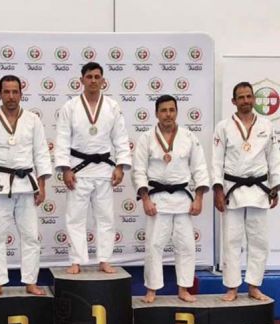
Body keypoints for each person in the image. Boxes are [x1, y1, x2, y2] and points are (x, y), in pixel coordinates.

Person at [0, 75, 52, 297]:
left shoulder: (32, 120)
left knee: (31, 237)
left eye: (14, 92)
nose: (11, 96)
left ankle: (30, 281)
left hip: (26, 186)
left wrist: (42, 185)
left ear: (21, 94)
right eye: (6, 92)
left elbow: (41, 153)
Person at [55, 62, 131, 274]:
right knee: (75, 218)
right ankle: (76, 260)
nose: (93, 81)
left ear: (103, 80)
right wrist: (65, 169)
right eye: (89, 77)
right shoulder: (70, 107)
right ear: (82, 80)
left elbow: (121, 138)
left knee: (105, 217)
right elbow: (62, 139)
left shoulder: (112, 106)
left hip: (104, 170)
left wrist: (120, 166)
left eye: (97, 77)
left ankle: (104, 259)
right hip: (78, 170)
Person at [133, 95, 209, 303]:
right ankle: (152, 290)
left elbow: (200, 168)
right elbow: (139, 171)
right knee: (154, 246)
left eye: (172, 110)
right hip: (157, 199)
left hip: (182, 200)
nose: (168, 114)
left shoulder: (188, 137)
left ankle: (183, 289)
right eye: (164, 110)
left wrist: (199, 198)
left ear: (176, 112)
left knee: (186, 246)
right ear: (156, 113)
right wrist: (145, 199)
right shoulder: (146, 138)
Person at [212, 82, 280, 301]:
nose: (245, 101)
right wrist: (218, 189)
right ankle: (232, 287)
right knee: (231, 240)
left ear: (254, 99)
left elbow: (274, 157)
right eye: (241, 97)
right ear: (234, 101)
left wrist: (275, 186)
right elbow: (216, 161)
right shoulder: (223, 127)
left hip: (259, 189)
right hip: (232, 189)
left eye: (249, 96)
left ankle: (254, 286)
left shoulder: (266, 126)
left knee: (259, 241)